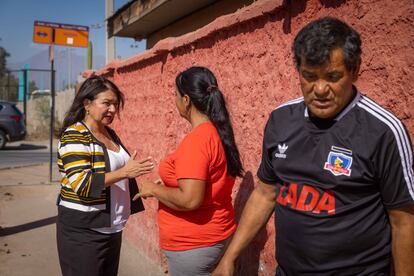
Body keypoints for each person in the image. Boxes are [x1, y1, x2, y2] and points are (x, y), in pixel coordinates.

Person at [213, 17, 414, 276]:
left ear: (355, 70)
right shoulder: (280, 120)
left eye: (333, 77)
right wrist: (229, 257)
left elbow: (403, 222)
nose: (319, 89)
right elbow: (265, 193)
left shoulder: (383, 131)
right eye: (309, 76)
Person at [136, 66, 243, 276]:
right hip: (216, 235)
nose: (174, 101)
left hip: (193, 244)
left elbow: (190, 200)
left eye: (175, 96)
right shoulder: (216, 132)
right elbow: (207, 181)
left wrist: (153, 190)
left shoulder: (196, 140)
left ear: (186, 100)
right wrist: (168, 185)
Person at [56, 75, 154, 276]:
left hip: (112, 228)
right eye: (106, 103)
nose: (112, 109)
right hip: (84, 232)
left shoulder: (109, 133)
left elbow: (119, 173)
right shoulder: (75, 135)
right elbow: (83, 184)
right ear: (87, 104)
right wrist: (125, 172)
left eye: (115, 104)